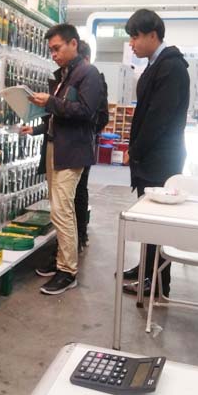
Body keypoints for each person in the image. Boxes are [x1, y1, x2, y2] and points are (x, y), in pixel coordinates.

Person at [21, 24, 103, 295]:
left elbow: (87, 112)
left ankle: (68, 271)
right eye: (51, 50)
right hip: (55, 148)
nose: (53, 54)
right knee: (58, 208)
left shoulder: (89, 74)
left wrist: (50, 102)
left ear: (73, 44)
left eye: (57, 48)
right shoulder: (64, 76)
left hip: (72, 151)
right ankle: (61, 261)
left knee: (62, 210)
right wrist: (36, 127)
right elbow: (59, 115)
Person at [122, 9, 190, 297]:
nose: (132, 44)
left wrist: (135, 150)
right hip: (151, 157)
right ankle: (146, 268)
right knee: (149, 219)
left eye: (135, 37)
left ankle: (158, 281)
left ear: (153, 35)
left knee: (158, 222)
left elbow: (157, 119)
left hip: (161, 158)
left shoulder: (171, 67)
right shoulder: (156, 64)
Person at [74, 40, 109, 251]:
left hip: (83, 144)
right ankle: (78, 235)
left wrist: (88, 130)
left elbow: (102, 116)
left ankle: (80, 235)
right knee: (73, 193)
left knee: (79, 190)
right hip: (69, 145)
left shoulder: (95, 80)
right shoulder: (72, 79)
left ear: (85, 59)